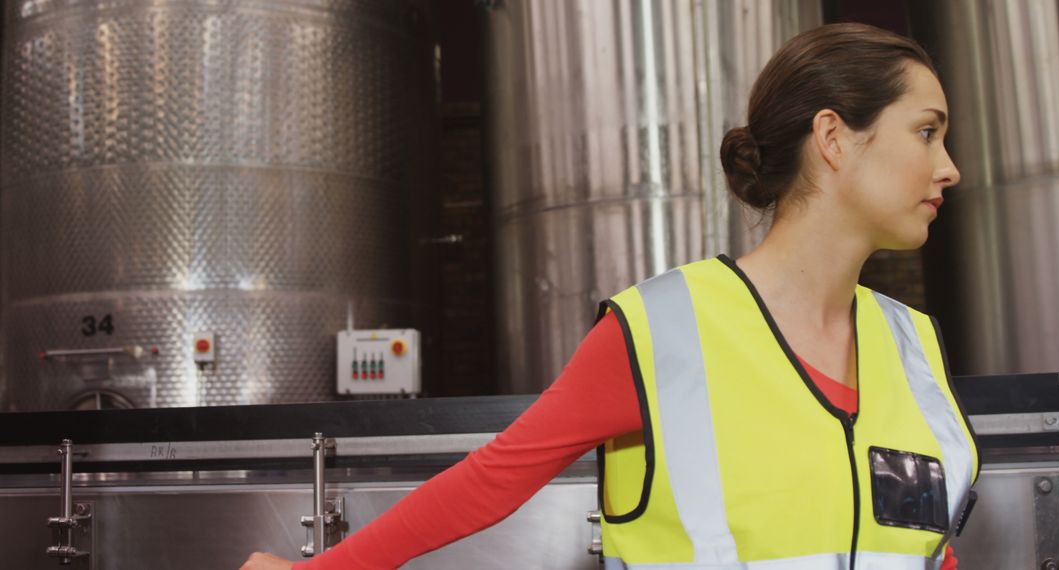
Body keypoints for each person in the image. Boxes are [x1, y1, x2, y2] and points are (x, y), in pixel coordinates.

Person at [242, 22, 979, 570]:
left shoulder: (908, 346)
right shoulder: (667, 330)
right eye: (927, 133)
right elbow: (492, 480)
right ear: (835, 137)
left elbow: (924, 548)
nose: (948, 168)